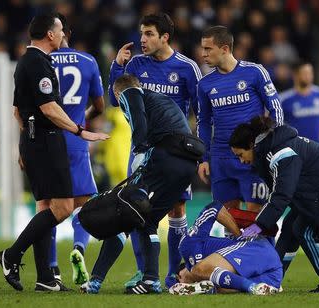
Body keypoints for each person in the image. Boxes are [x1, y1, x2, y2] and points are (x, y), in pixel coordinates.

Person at [0, 12, 108, 292]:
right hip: (48, 141)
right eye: (59, 31)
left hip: (40, 141)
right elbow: (48, 108)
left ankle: (46, 277)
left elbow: (17, 112)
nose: (61, 35)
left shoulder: (31, 61)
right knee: (66, 207)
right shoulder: (37, 62)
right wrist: (79, 130)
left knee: (47, 206)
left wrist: (26, 142)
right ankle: (11, 255)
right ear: (50, 34)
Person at [81, 74, 201, 295]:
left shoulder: (129, 92)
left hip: (165, 157)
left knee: (123, 213)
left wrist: (140, 150)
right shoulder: (160, 99)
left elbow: (137, 116)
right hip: (187, 165)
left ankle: (96, 280)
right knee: (147, 220)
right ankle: (151, 280)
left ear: (118, 94)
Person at [229, 115, 319, 292]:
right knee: (291, 227)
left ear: (252, 145)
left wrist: (259, 225)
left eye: (240, 155)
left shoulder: (280, 153)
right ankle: (272, 279)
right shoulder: (276, 147)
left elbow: (282, 194)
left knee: (303, 229)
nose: (242, 161)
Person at [108, 12, 202, 288]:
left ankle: (174, 273)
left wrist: (202, 153)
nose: (142, 40)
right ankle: (143, 273)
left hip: (174, 152)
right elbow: (116, 101)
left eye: (149, 34)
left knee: (177, 209)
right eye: (141, 34)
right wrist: (117, 66)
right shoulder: (135, 64)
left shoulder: (187, 68)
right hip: (142, 149)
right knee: (133, 207)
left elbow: (202, 112)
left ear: (165, 37)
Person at [197, 25, 284, 216]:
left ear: (225, 48)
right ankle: (234, 247)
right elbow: (203, 123)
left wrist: (272, 144)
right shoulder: (204, 84)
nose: (203, 54)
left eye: (208, 48)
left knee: (257, 217)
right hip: (221, 160)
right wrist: (203, 158)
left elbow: (275, 108)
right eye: (203, 48)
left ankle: (262, 247)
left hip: (253, 158)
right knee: (230, 220)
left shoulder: (255, 73)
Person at [48, 13, 105, 285]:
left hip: (47, 141)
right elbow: (101, 107)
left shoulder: (40, 62)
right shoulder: (88, 61)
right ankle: (79, 248)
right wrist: (80, 120)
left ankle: (51, 270)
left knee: (48, 207)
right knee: (85, 205)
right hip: (75, 141)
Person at [170, 200, 282, 296]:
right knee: (222, 286)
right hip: (273, 274)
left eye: (179, 281)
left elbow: (213, 207)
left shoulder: (186, 246)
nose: (183, 283)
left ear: (179, 275)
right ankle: (258, 287)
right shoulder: (215, 271)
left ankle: (252, 287)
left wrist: (239, 236)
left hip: (255, 247)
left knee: (198, 270)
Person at [279, 60, 319, 145]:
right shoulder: (284, 98)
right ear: (295, 75)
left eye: (310, 73)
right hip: (296, 147)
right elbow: (271, 118)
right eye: (304, 73)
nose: (308, 76)